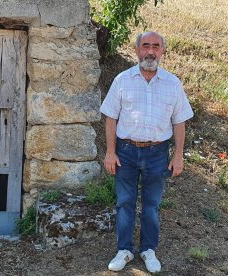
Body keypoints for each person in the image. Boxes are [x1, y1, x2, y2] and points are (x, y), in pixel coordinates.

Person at [100, 31, 193, 273]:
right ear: (137, 50)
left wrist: (178, 155)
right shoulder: (122, 80)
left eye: (155, 46)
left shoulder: (173, 83)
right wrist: (110, 152)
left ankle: (148, 249)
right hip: (126, 152)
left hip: (157, 154)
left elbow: (179, 122)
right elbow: (110, 117)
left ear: (162, 51)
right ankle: (125, 250)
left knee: (152, 204)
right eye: (145, 46)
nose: (150, 51)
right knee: (125, 202)